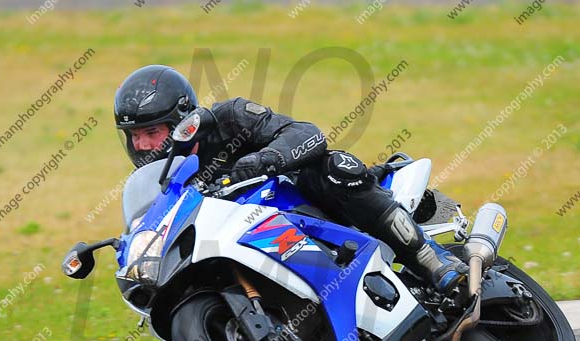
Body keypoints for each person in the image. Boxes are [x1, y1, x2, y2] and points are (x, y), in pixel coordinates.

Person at [114, 65, 468, 293]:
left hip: (306, 206)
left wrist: (259, 162)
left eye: (152, 131)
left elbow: (306, 134)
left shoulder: (229, 118)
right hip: (249, 244)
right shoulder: (161, 183)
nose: (143, 145)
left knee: (332, 167)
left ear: (181, 120)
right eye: (134, 135)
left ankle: (431, 259)